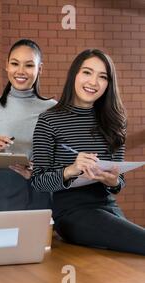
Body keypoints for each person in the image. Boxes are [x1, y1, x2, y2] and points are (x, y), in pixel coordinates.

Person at [31, 49, 145, 255]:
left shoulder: (115, 121)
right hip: (70, 212)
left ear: (109, 84)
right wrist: (71, 169)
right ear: (74, 74)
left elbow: (119, 183)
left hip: (107, 206)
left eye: (103, 77)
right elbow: (38, 181)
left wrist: (113, 181)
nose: (93, 82)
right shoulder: (49, 121)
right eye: (87, 72)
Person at [0, 39, 56, 212]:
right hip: (6, 189)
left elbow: (62, 157)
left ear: (40, 69)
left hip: (43, 189)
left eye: (29, 65)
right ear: (6, 65)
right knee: (5, 239)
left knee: (41, 239)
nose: (20, 71)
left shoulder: (53, 108)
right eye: (15, 63)